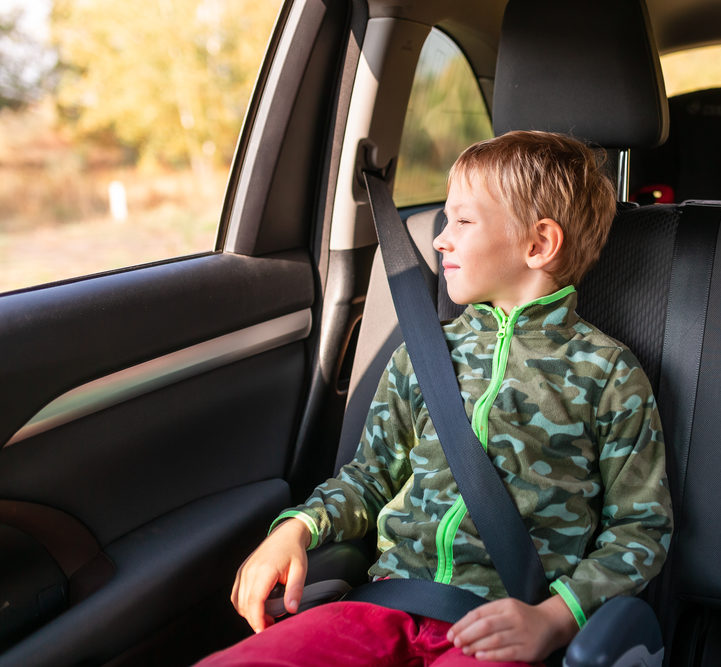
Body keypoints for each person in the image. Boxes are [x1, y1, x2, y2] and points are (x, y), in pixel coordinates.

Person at [198, 130, 672, 667]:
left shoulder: (606, 372)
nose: (441, 239)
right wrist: (298, 527)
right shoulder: (423, 355)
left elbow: (640, 528)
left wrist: (554, 618)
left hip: (503, 622)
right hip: (386, 604)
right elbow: (371, 475)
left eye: (463, 221)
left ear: (539, 244)